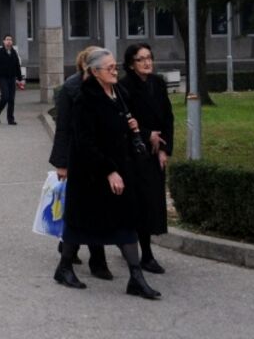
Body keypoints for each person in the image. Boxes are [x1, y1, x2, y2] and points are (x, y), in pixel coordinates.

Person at [54, 46, 161, 300]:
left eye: (115, 67)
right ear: (95, 72)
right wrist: (109, 171)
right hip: (91, 174)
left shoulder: (118, 92)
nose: (115, 71)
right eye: (110, 68)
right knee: (80, 225)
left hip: (119, 168)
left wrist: (132, 126)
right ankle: (64, 267)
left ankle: (136, 278)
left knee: (126, 224)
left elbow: (118, 126)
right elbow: (85, 143)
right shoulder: (85, 99)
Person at [49, 48, 112, 282]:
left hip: (98, 156)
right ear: (89, 66)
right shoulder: (71, 87)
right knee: (81, 209)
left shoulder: (107, 87)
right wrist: (62, 163)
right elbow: (63, 127)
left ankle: (94, 258)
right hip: (77, 157)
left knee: (95, 210)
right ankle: (81, 257)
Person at [121, 42, 173, 275]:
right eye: (141, 59)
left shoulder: (158, 83)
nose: (146, 62)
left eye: (149, 57)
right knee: (140, 203)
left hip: (155, 152)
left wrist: (164, 149)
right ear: (131, 64)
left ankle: (134, 246)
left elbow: (168, 117)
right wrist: (145, 134)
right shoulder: (124, 87)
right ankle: (145, 254)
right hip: (135, 153)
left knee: (153, 203)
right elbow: (123, 119)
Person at [0, 34, 24, 124]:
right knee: (5, 97)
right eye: (7, 40)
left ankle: (10, 119)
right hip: (2, 78)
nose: (9, 41)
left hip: (12, 78)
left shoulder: (14, 52)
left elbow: (17, 66)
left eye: (10, 40)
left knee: (11, 99)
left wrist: (20, 78)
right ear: (4, 41)